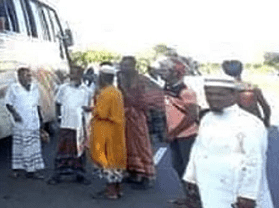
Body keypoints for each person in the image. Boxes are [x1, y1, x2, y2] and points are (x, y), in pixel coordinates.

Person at [183, 78, 272, 208]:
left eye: (220, 94)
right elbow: (198, 149)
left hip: (236, 189)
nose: (214, 98)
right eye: (209, 94)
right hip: (210, 186)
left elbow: (255, 160)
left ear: (234, 95)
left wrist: (248, 195)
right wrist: (191, 176)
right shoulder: (206, 118)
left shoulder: (250, 123)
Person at [117, 56, 164, 189]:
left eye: (127, 65)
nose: (124, 68)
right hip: (125, 117)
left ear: (133, 66)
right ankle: (134, 173)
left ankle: (147, 176)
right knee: (128, 146)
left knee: (141, 146)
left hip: (138, 117)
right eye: (122, 65)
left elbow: (153, 96)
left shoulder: (142, 80)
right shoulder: (121, 80)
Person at [47, 65, 95, 185]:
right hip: (66, 124)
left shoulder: (87, 91)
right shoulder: (63, 88)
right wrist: (58, 119)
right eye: (71, 73)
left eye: (76, 73)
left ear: (81, 75)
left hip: (79, 126)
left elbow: (90, 107)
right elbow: (58, 103)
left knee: (79, 150)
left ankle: (80, 174)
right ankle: (58, 174)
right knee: (62, 149)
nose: (73, 76)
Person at [161, 59, 199, 206]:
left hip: (187, 135)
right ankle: (190, 197)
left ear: (175, 73)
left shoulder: (185, 92)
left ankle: (195, 199)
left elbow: (192, 115)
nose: (162, 72)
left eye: (166, 70)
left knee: (189, 170)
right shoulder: (168, 89)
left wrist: (173, 132)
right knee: (178, 166)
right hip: (176, 135)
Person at [85, 64, 126, 200]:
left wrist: (91, 109)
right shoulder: (116, 91)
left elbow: (101, 112)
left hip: (105, 131)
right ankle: (118, 189)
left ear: (102, 78)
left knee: (106, 159)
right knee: (115, 158)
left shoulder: (105, 93)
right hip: (116, 131)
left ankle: (111, 191)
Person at [5, 67, 46, 179]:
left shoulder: (34, 87)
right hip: (21, 122)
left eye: (29, 75)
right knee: (19, 146)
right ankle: (17, 169)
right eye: (26, 75)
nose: (29, 78)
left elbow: (37, 104)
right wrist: (15, 114)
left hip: (33, 121)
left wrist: (41, 120)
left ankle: (32, 171)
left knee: (33, 146)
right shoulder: (14, 88)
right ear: (19, 77)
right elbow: (8, 103)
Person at [222, 59, 272, 128]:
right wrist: (266, 121)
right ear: (241, 71)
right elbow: (266, 108)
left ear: (225, 72)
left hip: (235, 126)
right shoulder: (252, 88)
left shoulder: (224, 90)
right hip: (255, 124)